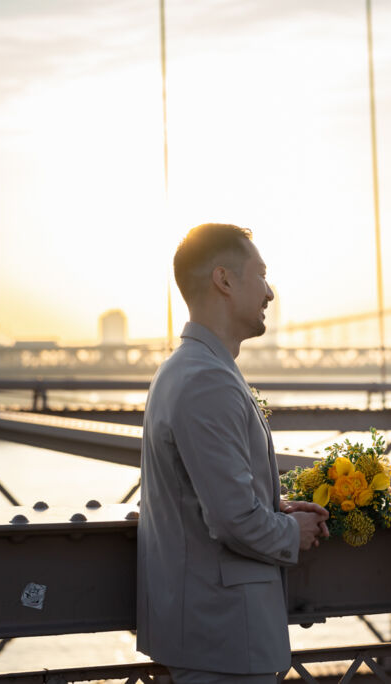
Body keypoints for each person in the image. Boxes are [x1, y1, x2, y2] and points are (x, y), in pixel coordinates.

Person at [136, 223, 329, 683]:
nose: (270, 292)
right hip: (224, 640)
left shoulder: (184, 370)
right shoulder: (207, 380)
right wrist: (291, 530)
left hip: (205, 633)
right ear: (224, 280)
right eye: (261, 275)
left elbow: (201, 494)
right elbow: (230, 520)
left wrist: (275, 505)